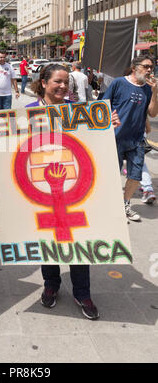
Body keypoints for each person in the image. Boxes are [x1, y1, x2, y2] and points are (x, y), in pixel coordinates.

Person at [23, 64, 120, 320]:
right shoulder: (28, 112)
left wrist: (108, 125)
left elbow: (95, 143)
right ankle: (51, 284)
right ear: (43, 83)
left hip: (75, 186)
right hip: (41, 187)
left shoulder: (78, 111)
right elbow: (15, 149)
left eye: (67, 82)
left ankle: (82, 291)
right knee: (48, 241)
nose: (63, 86)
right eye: (58, 81)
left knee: (79, 240)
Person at [103, 55, 158, 222]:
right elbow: (101, 105)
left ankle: (125, 204)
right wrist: (109, 118)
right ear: (134, 67)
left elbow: (153, 113)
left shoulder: (149, 89)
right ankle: (110, 207)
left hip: (136, 140)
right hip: (115, 138)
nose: (150, 70)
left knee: (135, 176)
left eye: (152, 67)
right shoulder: (119, 83)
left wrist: (155, 91)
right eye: (146, 66)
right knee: (112, 175)